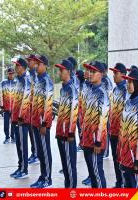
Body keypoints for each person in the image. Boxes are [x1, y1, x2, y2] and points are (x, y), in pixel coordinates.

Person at [117, 69, 138, 188]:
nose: (128, 84)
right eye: (127, 81)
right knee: (127, 186)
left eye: (131, 82)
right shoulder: (129, 101)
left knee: (136, 188)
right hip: (125, 154)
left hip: (135, 156)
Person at [81, 61, 110, 188]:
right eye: (90, 71)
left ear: (102, 74)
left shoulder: (102, 94)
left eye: (94, 72)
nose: (90, 74)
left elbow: (102, 120)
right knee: (92, 174)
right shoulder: (89, 91)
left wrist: (98, 141)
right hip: (87, 139)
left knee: (97, 173)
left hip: (95, 142)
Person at [30, 55, 53, 188]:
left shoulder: (47, 81)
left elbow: (47, 104)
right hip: (35, 122)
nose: (36, 66)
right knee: (40, 152)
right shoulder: (37, 80)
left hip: (42, 124)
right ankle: (42, 176)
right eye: (36, 64)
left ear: (44, 65)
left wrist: (44, 123)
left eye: (38, 64)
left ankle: (47, 179)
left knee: (44, 152)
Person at [55, 59, 78, 188]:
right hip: (60, 132)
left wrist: (70, 133)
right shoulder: (64, 89)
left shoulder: (72, 90)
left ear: (68, 72)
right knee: (65, 165)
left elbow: (74, 113)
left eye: (61, 70)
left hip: (68, 135)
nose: (59, 73)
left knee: (70, 165)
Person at [10, 58, 31, 179]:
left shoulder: (26, 81)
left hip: (22, 120)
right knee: (18, 144)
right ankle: (20, 166)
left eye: (17, 66)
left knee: (22, 144)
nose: (15, 68)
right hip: (16, 118)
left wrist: (21, 117)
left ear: (23, 67)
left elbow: (26, 100)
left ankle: (24, 170)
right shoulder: (18, 80)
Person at [109, 63, 128, 188]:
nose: (114, 75)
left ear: (122, 75)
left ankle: (124, 184)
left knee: (122, 160)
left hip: (122, 133)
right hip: (113, 131)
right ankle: (119, 182)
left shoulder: (127, 90)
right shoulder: (115, 89)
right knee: (116, 159)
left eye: (116, 73)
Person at [25, 54, 39, 164]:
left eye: (30, 61)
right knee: (31, 132)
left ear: (35, 62)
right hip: (29, 108)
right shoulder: (29, 74)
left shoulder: (36, 75)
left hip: (35, 110)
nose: (28, 62)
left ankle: (36, 154)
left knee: (35, 133)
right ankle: (34, 153)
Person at [0, 67, 16, 144]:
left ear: (14, 74)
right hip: (6, 108)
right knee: (6, 124)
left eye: (12, 73)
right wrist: (2, 105)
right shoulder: (3, 83)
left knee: (13, 124)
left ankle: (13, 137)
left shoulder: (17, 83)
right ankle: (7, 137)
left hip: (14, 108)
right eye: (10, 73)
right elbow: (1, 95)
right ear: (8, 74)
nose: (11, 75)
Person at [101, 62, 113, 159]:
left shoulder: (107, 82)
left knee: (106, 132)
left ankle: (105, 152)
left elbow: (109, 97)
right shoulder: (101, 81)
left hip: (107, 111)